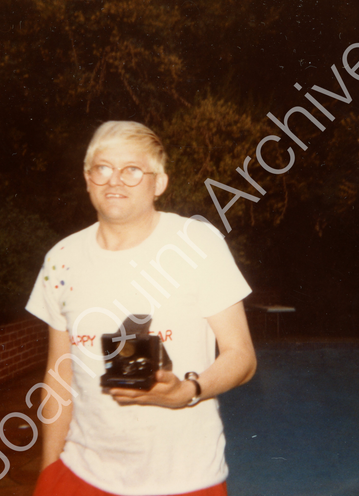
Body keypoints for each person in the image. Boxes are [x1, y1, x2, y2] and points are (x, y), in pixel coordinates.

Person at [26, 121, 257, 496]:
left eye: (132, 170)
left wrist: (187, 390)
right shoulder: (61, 259)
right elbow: (59, 372)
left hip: (184, 479)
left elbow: (242, 357)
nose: (115, 181)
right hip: (80, 475)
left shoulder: (197, 243)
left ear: (159, 183)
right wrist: (48, 473)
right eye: (103, 168)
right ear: (87, 179)